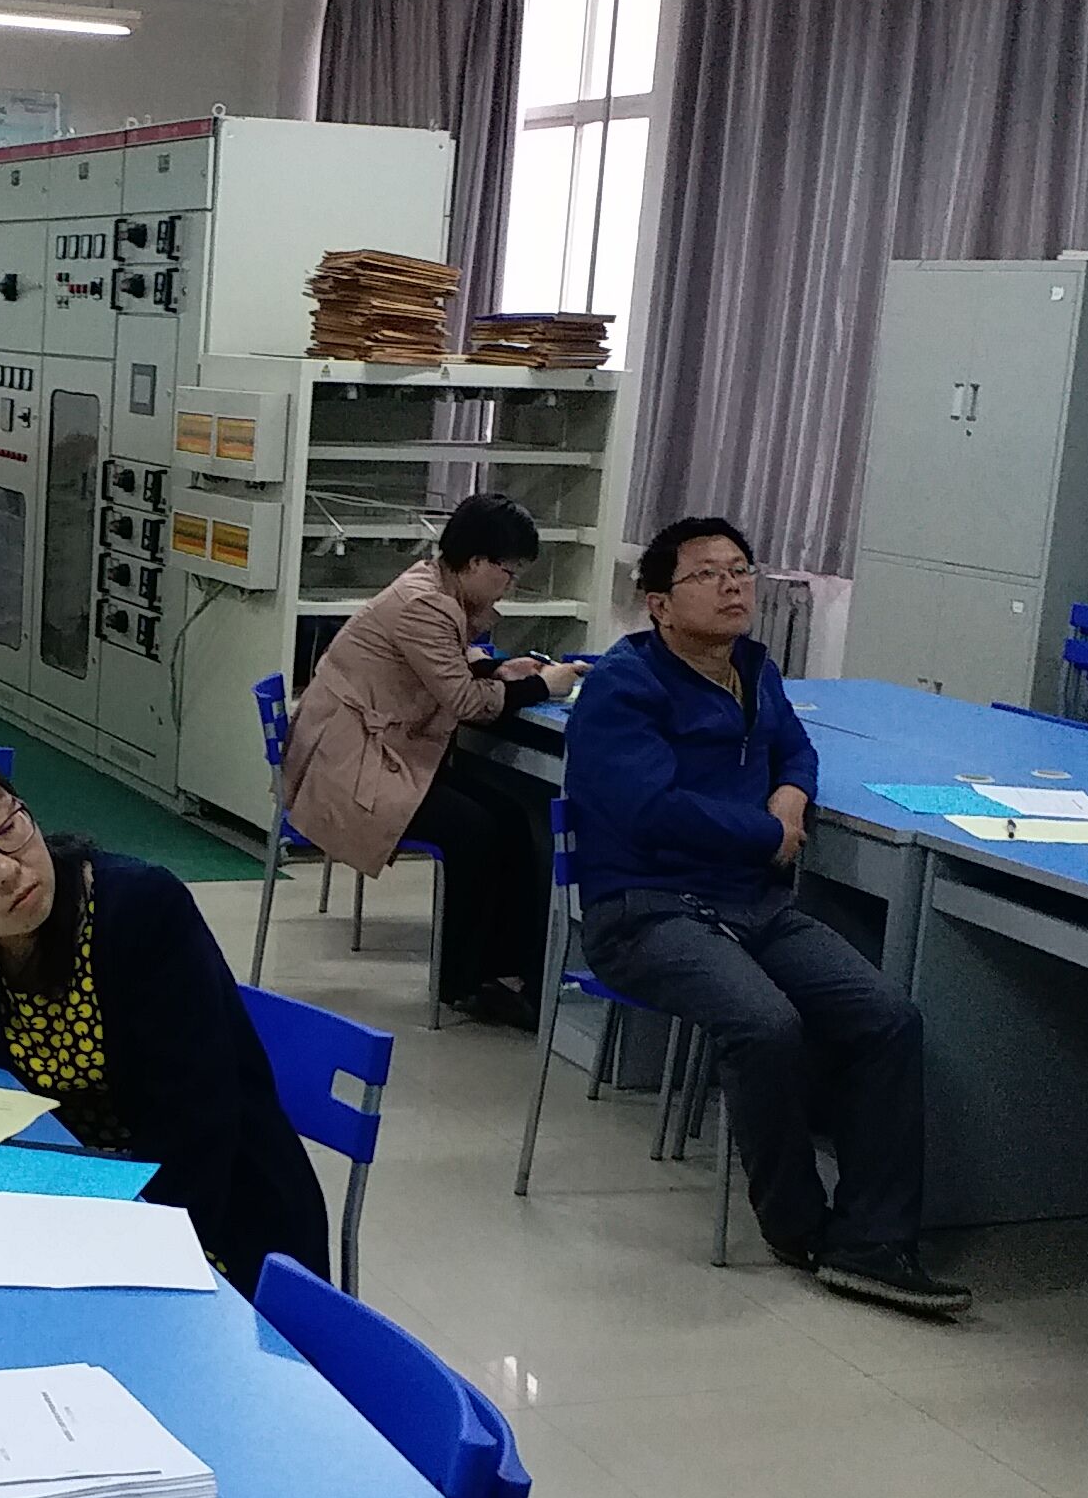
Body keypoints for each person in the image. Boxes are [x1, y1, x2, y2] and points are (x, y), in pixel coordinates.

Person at [567, 516, 967, 1316]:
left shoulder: (754, 667)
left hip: (751, 903)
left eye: (741, 569)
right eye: (707, 574)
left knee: (888, 1017)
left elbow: (796, 749)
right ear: (658, 604)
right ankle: (798, 1227)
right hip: (646, 910)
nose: (732, 585)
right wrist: (765, 832)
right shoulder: (624, 686)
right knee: (766, 1024)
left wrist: (790, 795)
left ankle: (874, 1241)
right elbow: (647, 810)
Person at [0, 739, 330, 1292]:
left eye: (7, 826)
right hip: (69, 1202)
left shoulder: (140, 911)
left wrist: (108, 1252)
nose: (6, 870)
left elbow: (198, 1131)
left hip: (216, 1227)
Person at [279, 494, 583, 1023]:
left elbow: (447, 665)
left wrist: (497, 670)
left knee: (511, 817)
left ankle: (502, 972)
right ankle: (463, 980)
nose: (510, 586)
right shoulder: (425, 602)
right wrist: (542, 685)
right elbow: (466, 704)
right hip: (352, 763)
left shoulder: (434, 585)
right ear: (477, 562)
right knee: (475, 830)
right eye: (509, 573)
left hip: (375, 747)